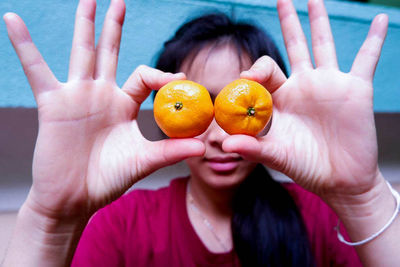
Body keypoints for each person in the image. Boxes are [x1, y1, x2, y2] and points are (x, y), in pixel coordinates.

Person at [2, 0, 399, 266]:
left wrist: (364, 197)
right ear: (164, 112)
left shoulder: (320, 217)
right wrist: (50, 221)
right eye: (201, 106)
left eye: (232, 105)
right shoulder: (122, 224)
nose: (218, 137)